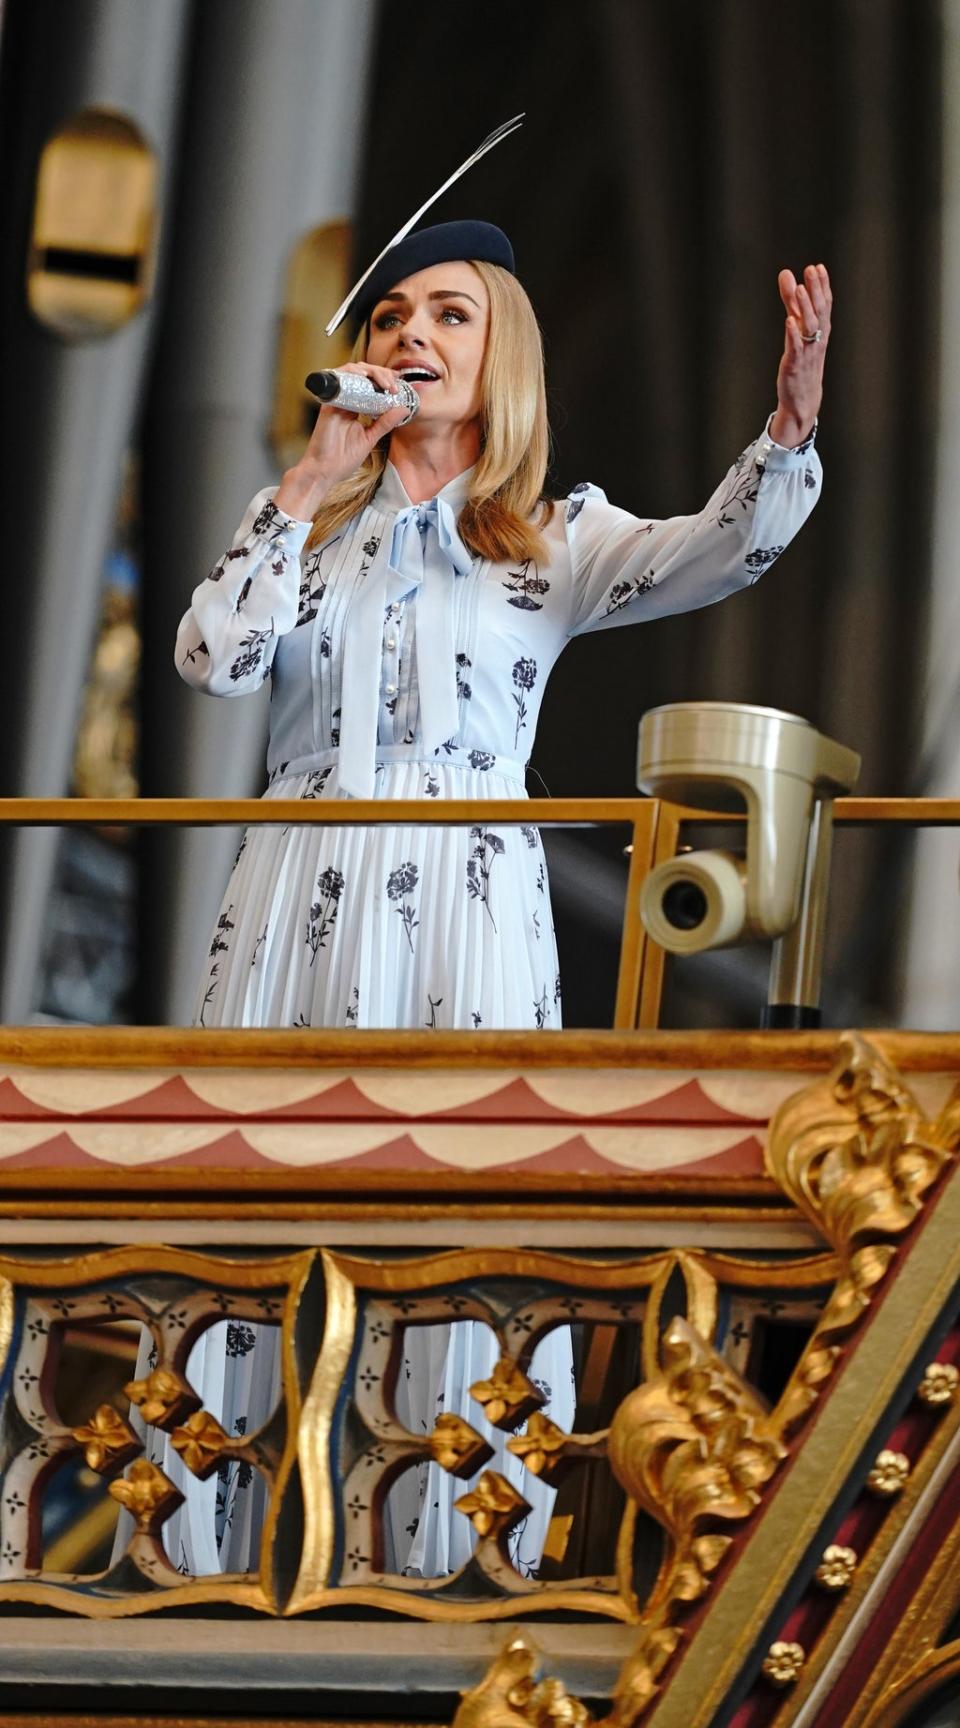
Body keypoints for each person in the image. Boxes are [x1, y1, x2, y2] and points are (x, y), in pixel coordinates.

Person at [168, 219, 830, 1577]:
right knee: (246, 1219)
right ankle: (208, 1561)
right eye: (393, 314)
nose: (413, 335)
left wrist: (787, 429)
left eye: (451, 315)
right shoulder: (312, 534)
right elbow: (210, 662)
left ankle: (448, 1582)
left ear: (502, 353)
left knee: (458, 1227)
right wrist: (302, 488)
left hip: (467, 901)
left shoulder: (552, 538)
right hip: (299, 885)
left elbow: (718, 549)